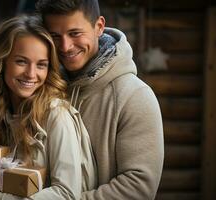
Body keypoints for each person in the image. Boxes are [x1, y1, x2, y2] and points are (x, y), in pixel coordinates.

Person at [0, 15, 97, 200]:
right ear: (2, 62)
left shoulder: (56, 115)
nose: (31, 74)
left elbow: (67, 194)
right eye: (21, 61)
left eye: (41, 65)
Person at [35, 0, 164, 199]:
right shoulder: (41, 87)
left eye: (75, 33)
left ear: (99, 27)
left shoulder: (135, 96)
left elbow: (138, 188)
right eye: (55, 36)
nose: (65, 46)